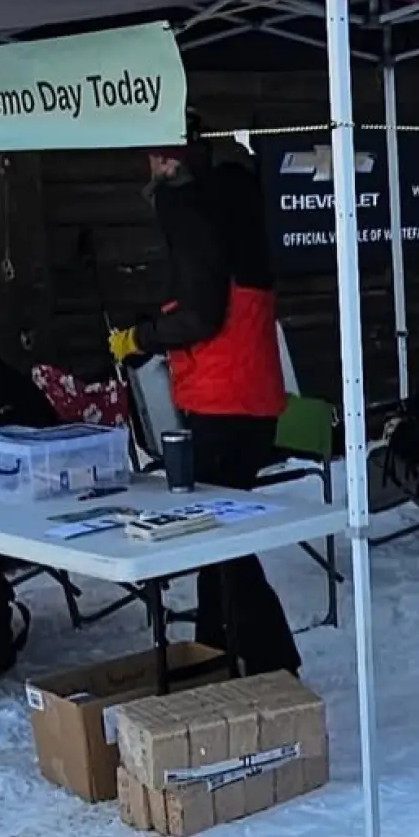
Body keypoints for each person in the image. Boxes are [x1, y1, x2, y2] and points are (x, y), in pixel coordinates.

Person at [107, 129, 301, 678]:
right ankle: (220, 654)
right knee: (214, 539)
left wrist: (141, 337)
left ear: (168, 158)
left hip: (220, 398)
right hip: (250, 393)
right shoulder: (236, 197)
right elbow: (216, 294)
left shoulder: (186, 205)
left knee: (220, 541)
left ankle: (270, 662)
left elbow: (201, 313)